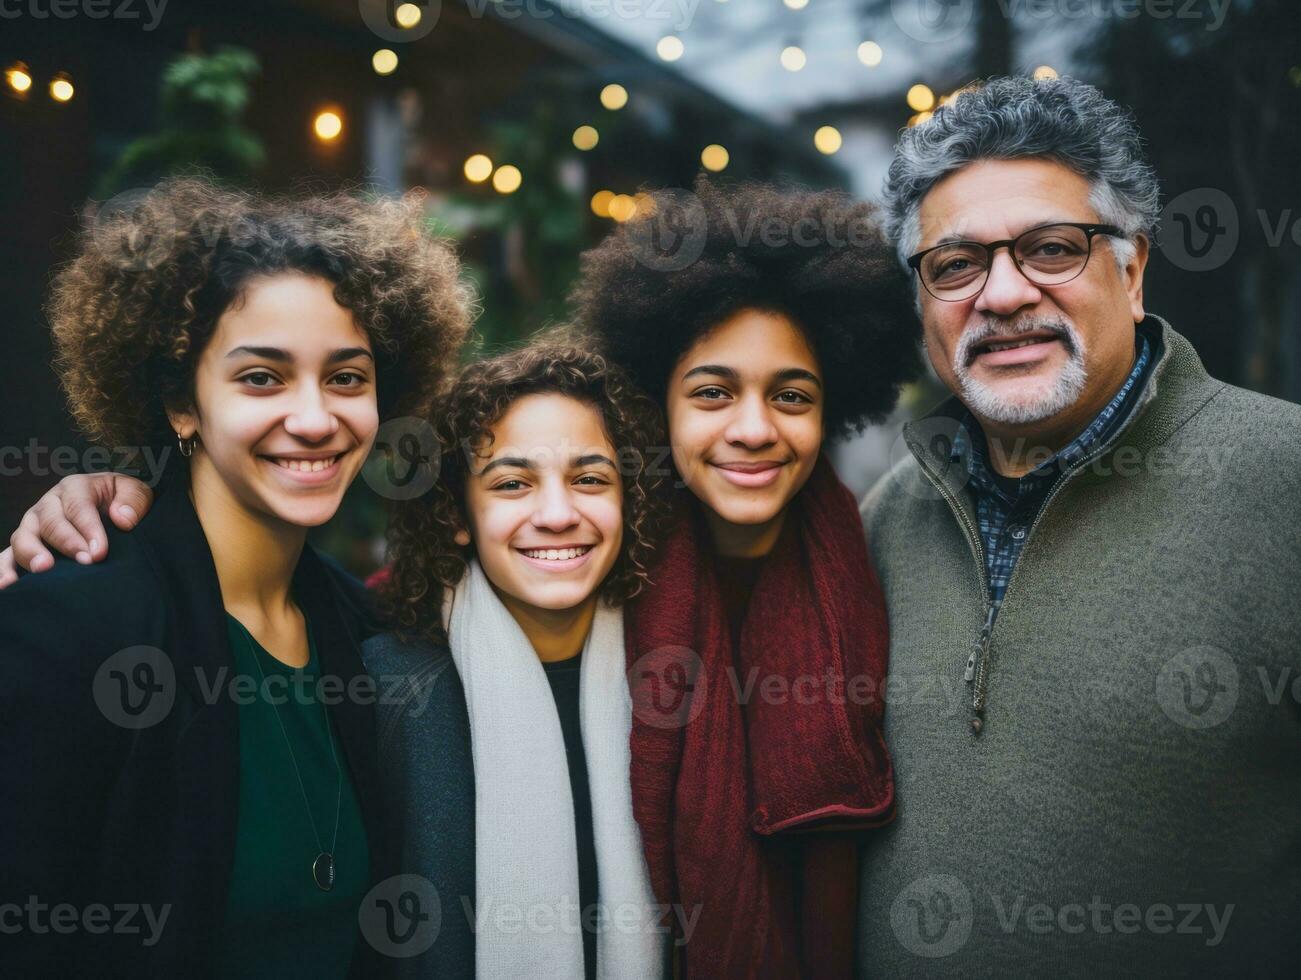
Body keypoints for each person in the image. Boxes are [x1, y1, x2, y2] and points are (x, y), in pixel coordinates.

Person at [856, 75, 1301, 974]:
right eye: (955, 265)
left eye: (1052, 249)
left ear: (1131, 270)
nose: (1003, 294)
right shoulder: (882, 522)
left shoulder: (1283, 484)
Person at [0, 177, 470, 978]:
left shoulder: (367, 639)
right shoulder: (73, 620)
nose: (317, 418)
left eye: (348, 378)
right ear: (183, 401)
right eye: (263, 377)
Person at [570, 179, 921, 978]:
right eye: (713, 393)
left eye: (789, 396)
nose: (754, 429)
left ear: (831, 410)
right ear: (658, 403)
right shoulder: (584, 569)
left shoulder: (880, 569)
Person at [364, 339, 669, 980]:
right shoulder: (382, 690)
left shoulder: (672, 680)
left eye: (590, 479)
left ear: (629, 501)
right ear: (457, 515)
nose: (557, 514)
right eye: (512, 483)